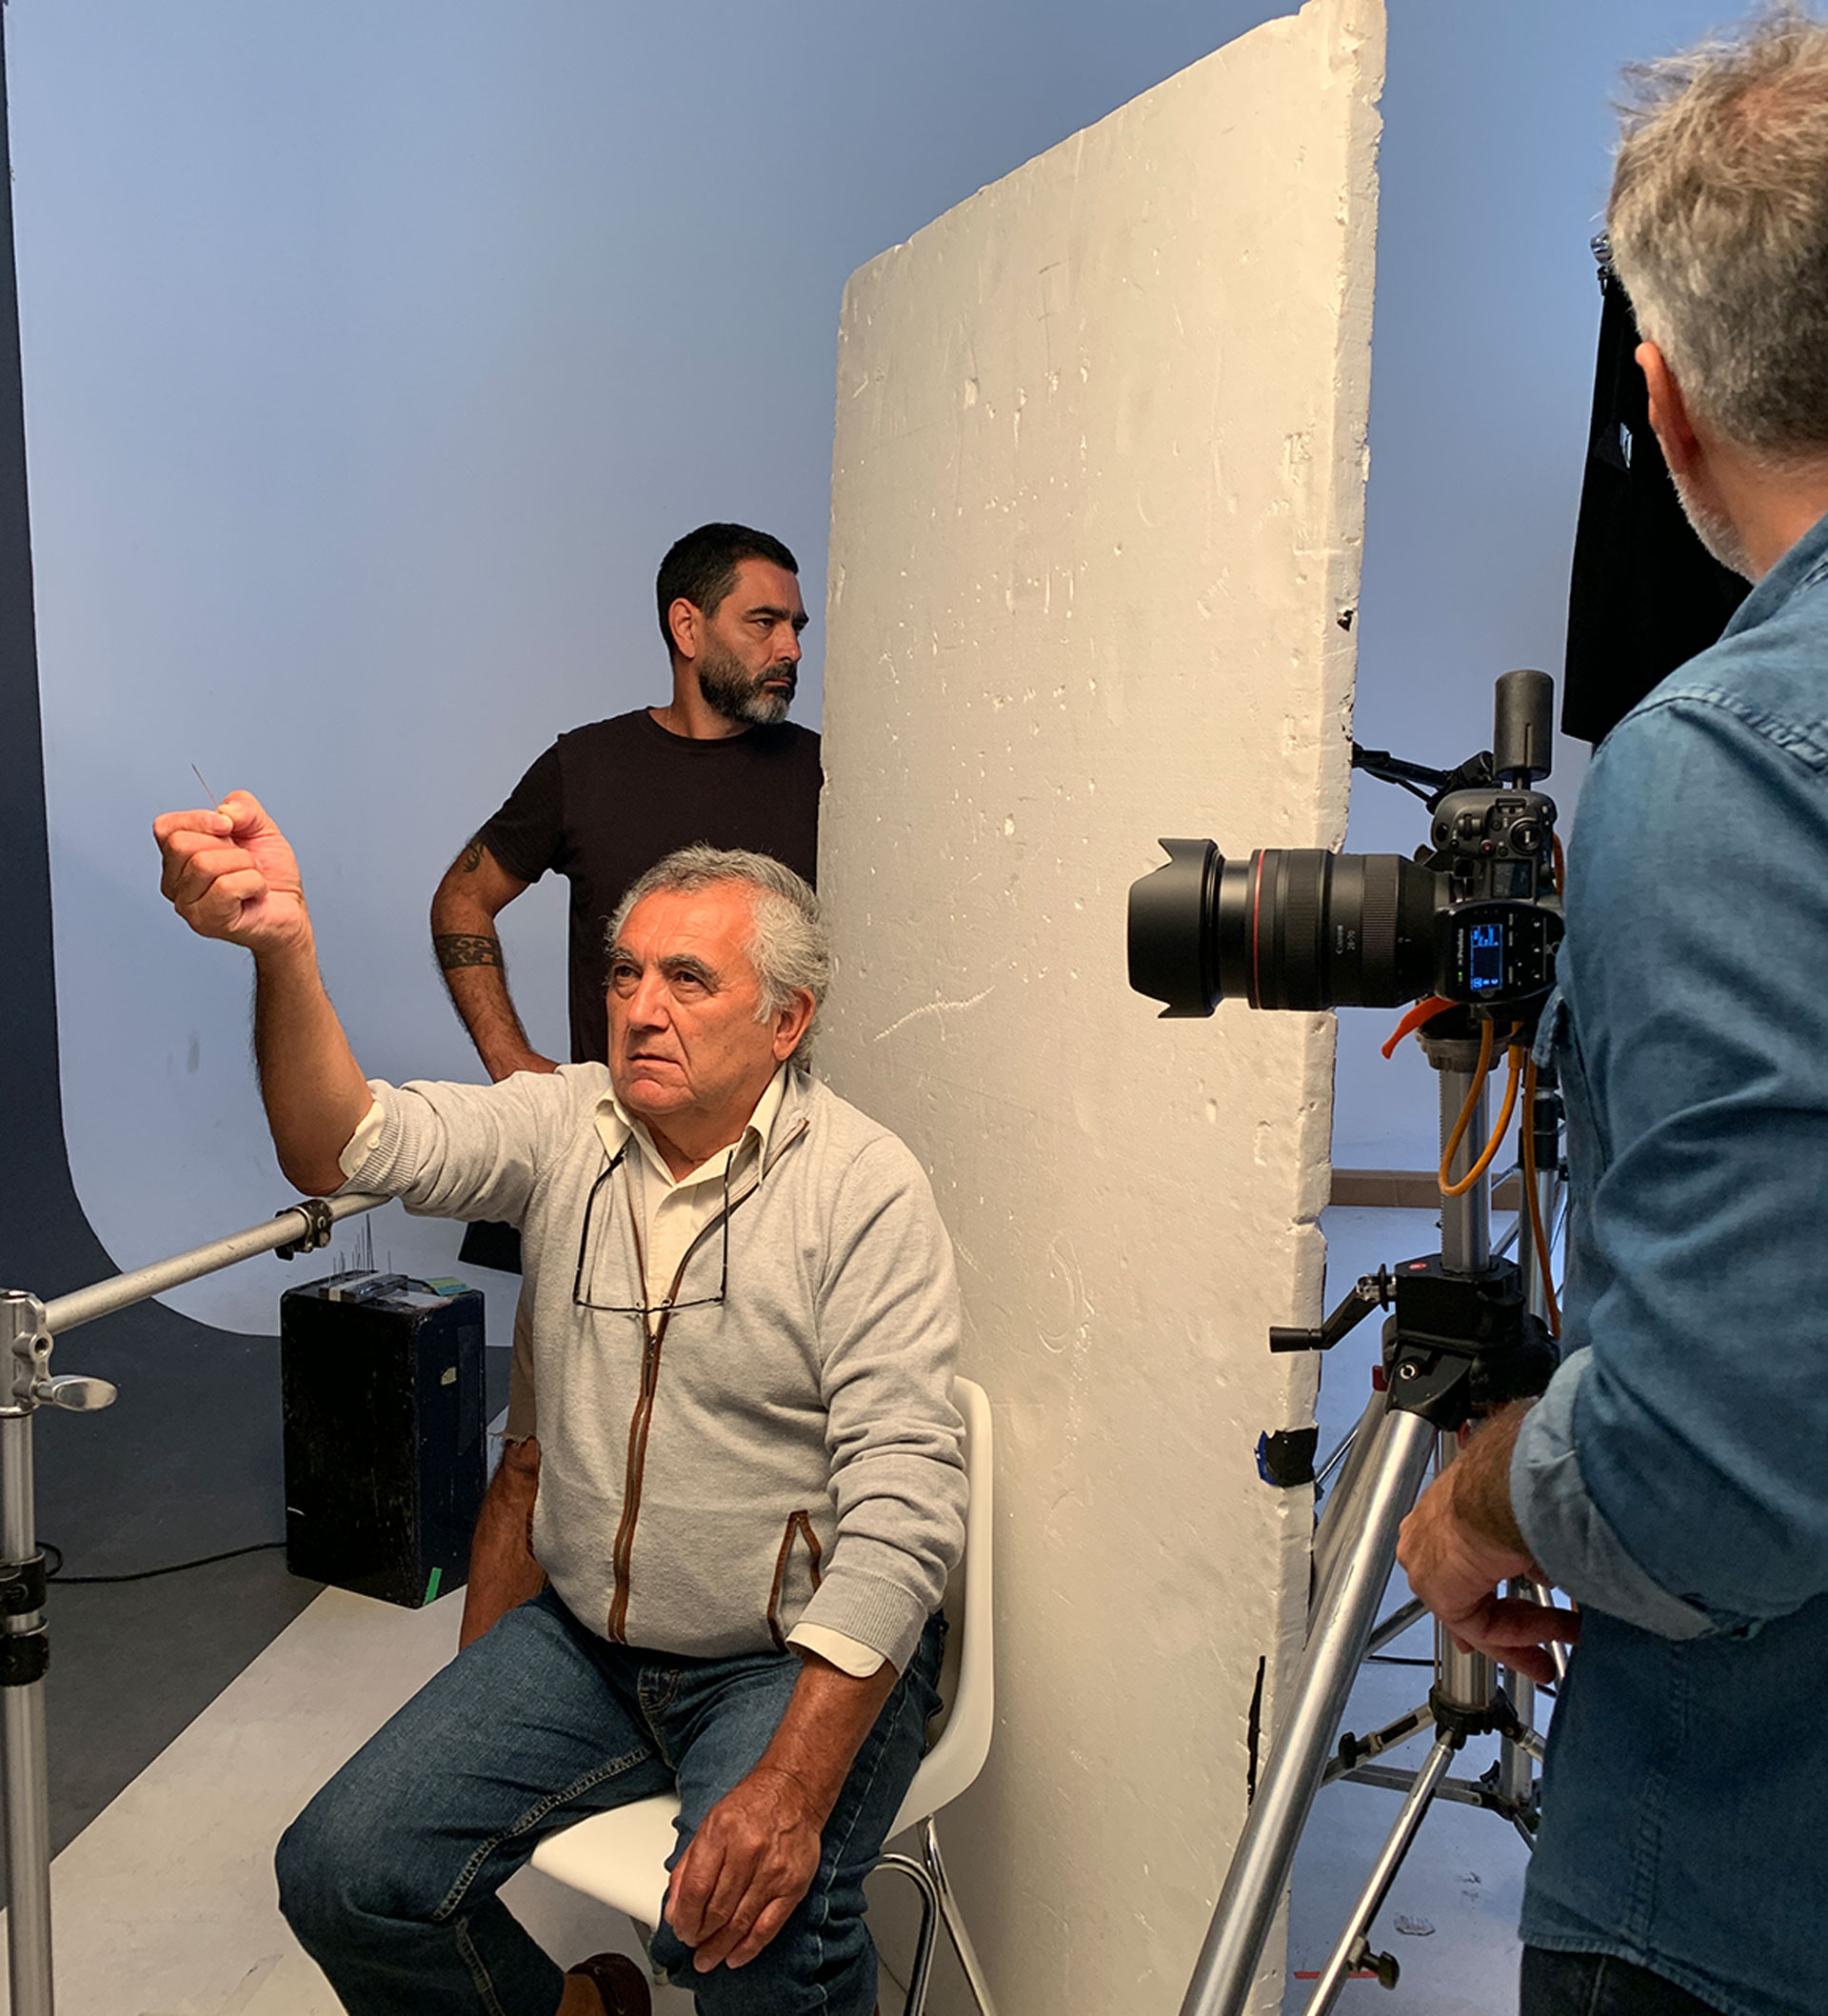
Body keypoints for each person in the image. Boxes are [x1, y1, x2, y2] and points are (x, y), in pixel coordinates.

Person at [154, 797, 965, 2016]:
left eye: (689, 978)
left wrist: (792, 1783)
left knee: (752, 1940)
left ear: (787, 1019)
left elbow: (908, 1506)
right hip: (591, 1642)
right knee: (342, 1871)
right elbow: (338, 1144)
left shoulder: (864, 1188)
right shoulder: (562, 1126)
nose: (641, 1006)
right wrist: (283, 947)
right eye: (626, 972)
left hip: (781, 1652)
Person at [1397, 17, 1828, 2016]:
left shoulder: (1724, 763)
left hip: (1738, 1892)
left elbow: (1716, 1464)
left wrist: (1481, 1491)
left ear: (1660, 398)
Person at [430, 522, 824, 1649]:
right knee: (534, 1457)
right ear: (686, 626)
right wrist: (515, 1067)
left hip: (773, 1180)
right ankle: (478, 1713)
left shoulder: (825, 774)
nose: (791, 647)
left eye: (797, 625)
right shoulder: (586, 766)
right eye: (765, 620)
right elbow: (462, 899)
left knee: (759, 1459)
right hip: (608, 1178)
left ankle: (698, 1687)